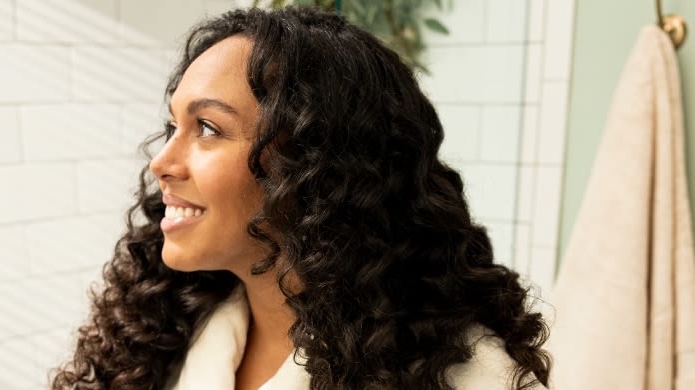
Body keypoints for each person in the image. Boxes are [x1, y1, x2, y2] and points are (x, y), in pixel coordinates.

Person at [52, 7, 551, 390]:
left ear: (318, 166)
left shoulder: (471, 378)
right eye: (172, 126)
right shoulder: (159, 340)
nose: (160, 163)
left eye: (207, 127)